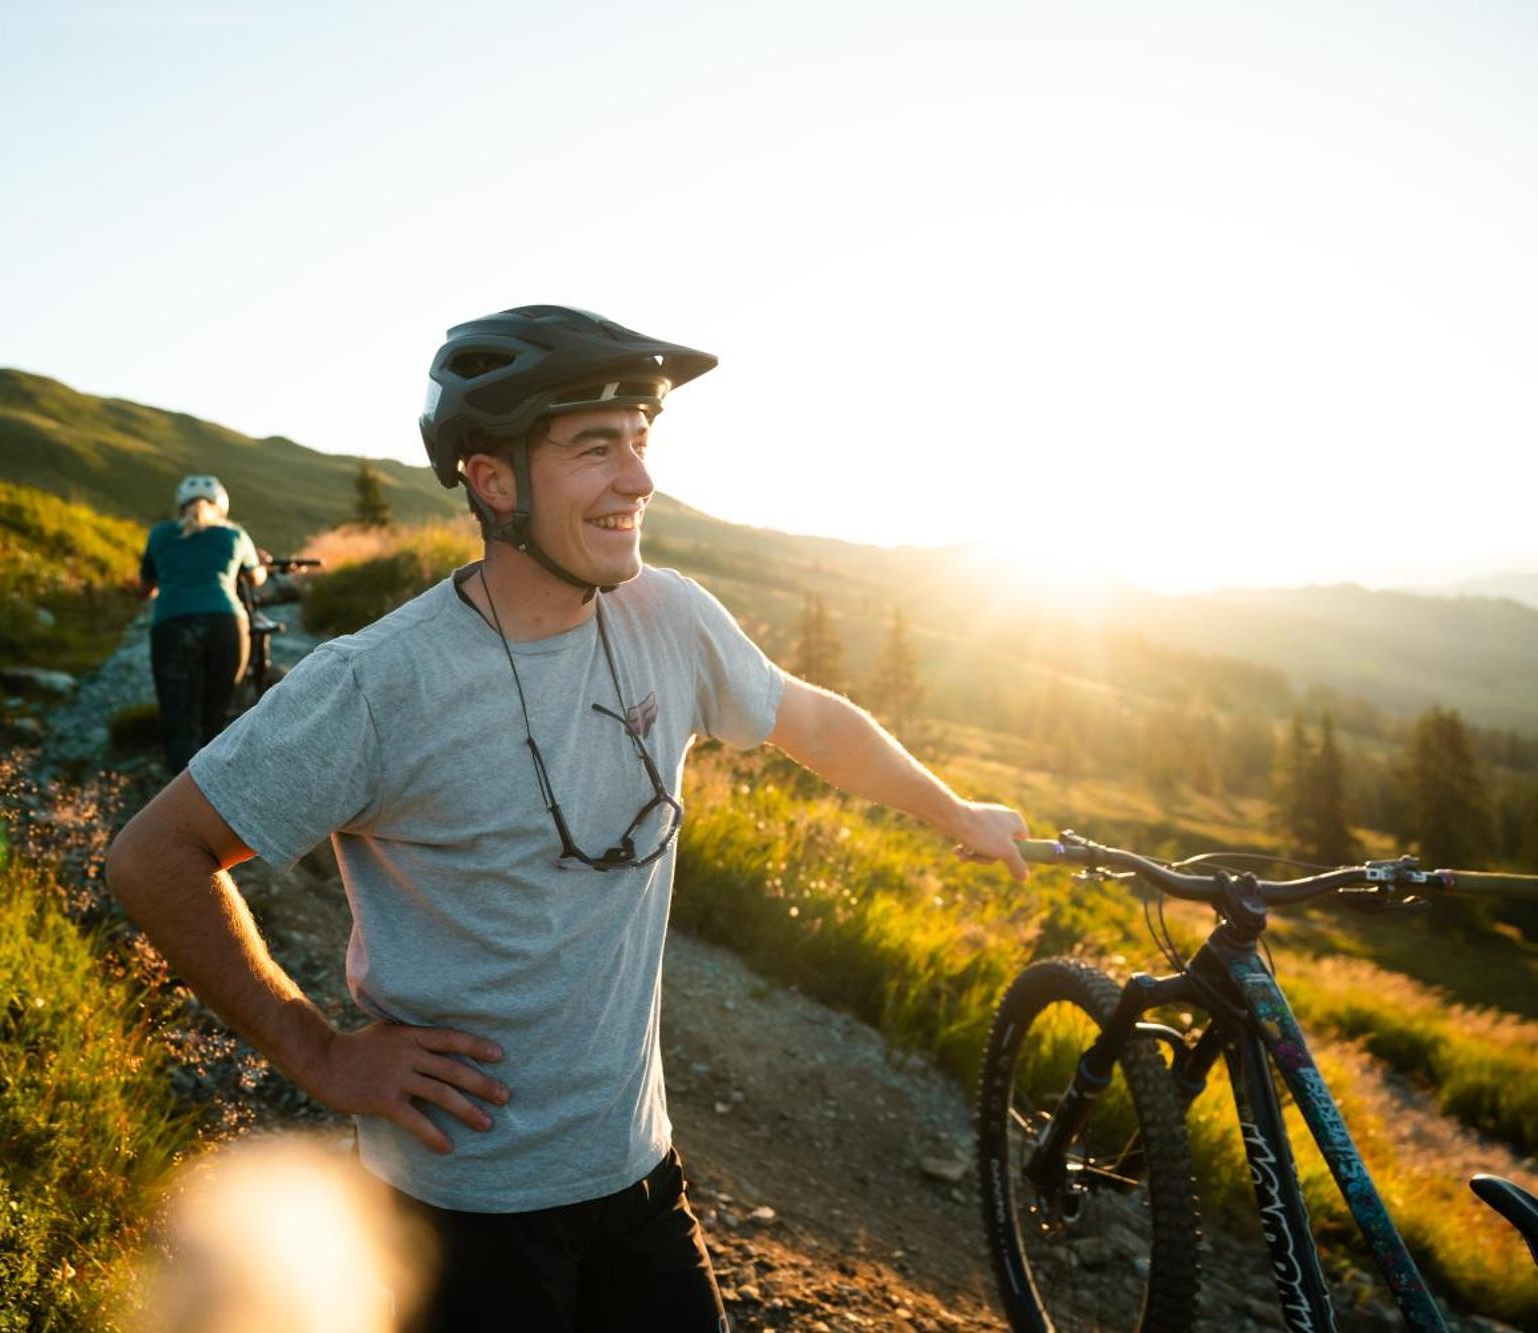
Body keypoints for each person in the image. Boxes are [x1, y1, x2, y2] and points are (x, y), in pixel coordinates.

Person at [106, 306, 1031, 1330]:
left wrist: (953, 812)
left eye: (640, 442)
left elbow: (808, 717)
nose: (637, 479)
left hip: (638, 1182)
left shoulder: (668, 617)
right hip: (456, 1216)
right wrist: (317, 1052)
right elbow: (154, 855)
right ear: (493, 481)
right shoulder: (381, 683)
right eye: (596, 447)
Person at [137, 474, 266, 774]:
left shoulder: (159, 535)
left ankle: (177, 799)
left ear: (180, 505)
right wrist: (260, 561)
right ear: (221, 505)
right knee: (216, 716)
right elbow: (256, 577)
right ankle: (214, 795)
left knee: (178, 720)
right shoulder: (234, 535)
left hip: (172, 623)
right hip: (226, 624)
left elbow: (145, 589)